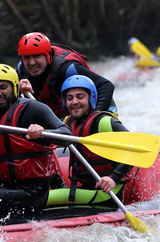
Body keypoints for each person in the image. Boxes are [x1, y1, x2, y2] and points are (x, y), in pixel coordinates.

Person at [0, 63, 72, 219]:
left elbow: (66, 134)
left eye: (2, 87)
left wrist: (43, 133)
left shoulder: (33, 109)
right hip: (4, 186)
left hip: (32, 191)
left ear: (14, 87)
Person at [47, 75, 132, 206]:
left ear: (91, 98)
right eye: (70, 98)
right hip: (85, 187)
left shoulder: (104, 122)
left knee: (40, 200)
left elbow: (133, 150)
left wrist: (113, 178)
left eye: (80, 97)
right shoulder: (66, 123)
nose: (74, 102)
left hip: (108, 193)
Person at [16, 32, 117, 119]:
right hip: (64, 115)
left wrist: (95, 117)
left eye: (37, 56)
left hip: (101, 102)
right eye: (27, 58)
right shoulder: (21, 71)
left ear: (48, 55)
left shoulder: (67, 69)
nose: (32, 62)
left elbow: (106, 85)